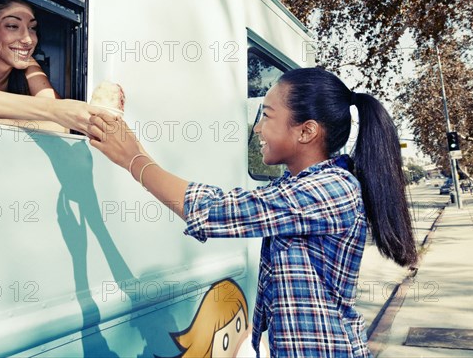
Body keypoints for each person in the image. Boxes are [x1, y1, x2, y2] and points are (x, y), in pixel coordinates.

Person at [88, 67, 418, 357]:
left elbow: (216, 209)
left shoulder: (330, 190)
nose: (258, 128)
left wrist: (132, 158)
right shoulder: (296, 185)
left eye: (267, 116)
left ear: (306, 131)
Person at [0, 0, 100, 134]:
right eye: (12, 26)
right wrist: (49, 110)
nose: (28, 39)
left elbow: (60, 126)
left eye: (32, 28)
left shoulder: (27, 64)